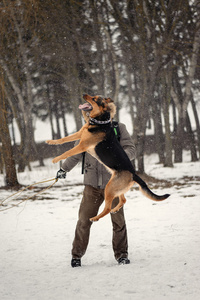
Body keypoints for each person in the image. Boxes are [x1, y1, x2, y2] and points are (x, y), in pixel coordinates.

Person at [56, 107, 136, 268]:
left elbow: (131, 149)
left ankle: (121, 255)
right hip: (91, 186)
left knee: (118, 221)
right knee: (84, 221)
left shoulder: (118, 128)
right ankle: (76, 256)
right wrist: (64, 169)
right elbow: (76, 153)